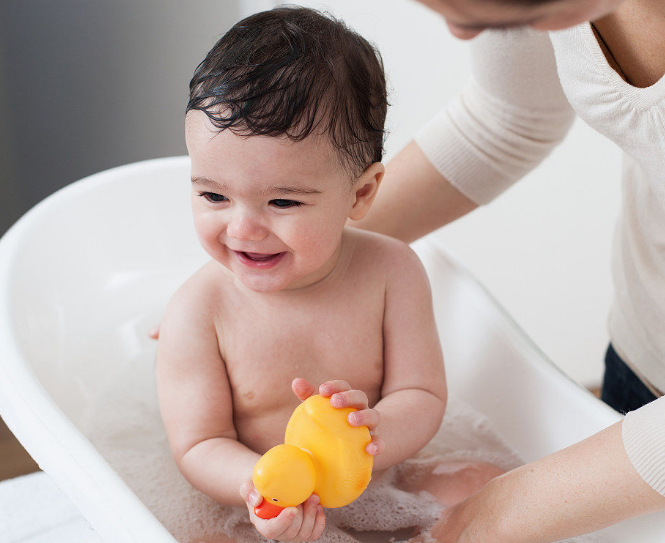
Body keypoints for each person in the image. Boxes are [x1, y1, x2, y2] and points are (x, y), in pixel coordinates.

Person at [348, 0, 665, 541]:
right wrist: (293, 253)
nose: (460, 31)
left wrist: (498, 513)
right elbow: (509, 116)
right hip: (640, 397)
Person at [155, 7, 502, 542]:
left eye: (283, 200)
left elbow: (421, 394)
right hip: (251, 503)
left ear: (360, 194)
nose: (243, 228)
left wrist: (376, 433)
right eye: (213, 195)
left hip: (379, 482)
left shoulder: (393, 272)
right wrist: (260, 487)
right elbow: (198, 446)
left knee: (486, 485)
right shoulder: (200, 310)